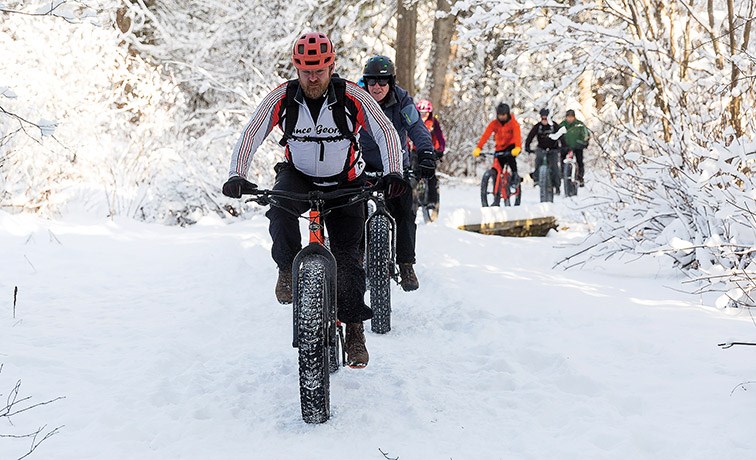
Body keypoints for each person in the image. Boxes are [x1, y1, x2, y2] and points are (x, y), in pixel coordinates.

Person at [221, 32, 408, 368]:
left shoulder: (352, 95)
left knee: (349, 258)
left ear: (330, 66)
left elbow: (385, 131)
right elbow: (252, 132)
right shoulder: (283, 97)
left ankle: (354, 329)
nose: (312, 77)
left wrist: (394, 171)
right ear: (296, 67)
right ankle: (287, 270)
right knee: (278, 209)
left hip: (345, 181)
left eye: (319, 69)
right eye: (305, 70)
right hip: (299, 175)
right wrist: (236, 174)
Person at [358, 55, 435, 292]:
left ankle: (405, 263)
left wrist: (426, 152)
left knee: (404, 209)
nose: (377, 87)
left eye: (382, 82)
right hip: (360, 167)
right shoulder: (355, 99)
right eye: (371, 82)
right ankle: (354, 258)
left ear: (391, 82)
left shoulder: (402, 100)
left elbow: (416, 127)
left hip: (394, 167)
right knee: (351, 213)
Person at [471, 103, 522, 188]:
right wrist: (478, 148)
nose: (501, 117)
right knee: (497, 166)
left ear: (508, 114)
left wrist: (518, 147)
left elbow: (517, 136)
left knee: (510, 159)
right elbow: (485, 135)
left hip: (511, 146)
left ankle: (515, 175)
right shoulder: (494, 124)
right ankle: (497, 186)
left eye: (503, 115)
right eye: (499, 115)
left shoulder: (513, 123)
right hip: (500, 147)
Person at [525, 108, 562, 193]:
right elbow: (530, 136)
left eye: (546, 119)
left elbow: (561, 136)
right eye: (543, 118)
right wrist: (527, 146)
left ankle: (557, 186)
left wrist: (563, 147)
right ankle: (537, 180)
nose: (544, 121)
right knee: (538, 162)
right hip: (541, 149)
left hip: (553, 149)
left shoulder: (554, 126)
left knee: (555, 167)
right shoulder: (538, 127)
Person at [416, 98, 445, 204]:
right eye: (421, 113)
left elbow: (440, 137)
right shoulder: (413, 121)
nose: (423, 115)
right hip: (415, 151)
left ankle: (432, 201)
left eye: (425, 113)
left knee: (431, 176)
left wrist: (440, 150)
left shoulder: (433, 122)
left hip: (430, 151)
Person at [558, 109, 590, 187]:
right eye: (568, 117)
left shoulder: (579, 124)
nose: (570, 119)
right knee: (562, 160)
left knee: (579, 162)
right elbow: (557, 135)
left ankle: (580, 177)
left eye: (571, 117)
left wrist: (585, 142)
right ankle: (563, 175)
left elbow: (586, 134)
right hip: (566, 146)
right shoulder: (562, 125)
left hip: (577, 146)